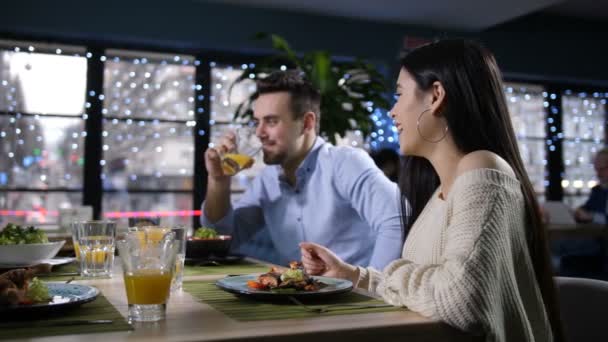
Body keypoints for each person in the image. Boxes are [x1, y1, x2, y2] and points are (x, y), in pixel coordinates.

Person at [300, 40, 563, 342]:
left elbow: (460, 300)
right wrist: (351, 275)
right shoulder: (441, 192)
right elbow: (433, 289)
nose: (392, 111)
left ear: (436, 95)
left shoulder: (483, 169)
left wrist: (395, 274)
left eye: (399, 95)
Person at [201, 70, 404, 269]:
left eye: (271, 121)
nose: (259, 132)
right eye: (257, 122)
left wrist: (374, 288)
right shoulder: (267, 180)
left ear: (307, 123)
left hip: (354, 297)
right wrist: (218, 181)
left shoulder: (345, 163)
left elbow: (397, 218)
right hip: (298, 296)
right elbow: (223, 237)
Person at [574, 148, 608, 223]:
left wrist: (592, 217)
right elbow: (587, 208)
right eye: (596, 170)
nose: (598, 174)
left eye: (602, 169)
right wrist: (579, 211)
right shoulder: (598, 190)